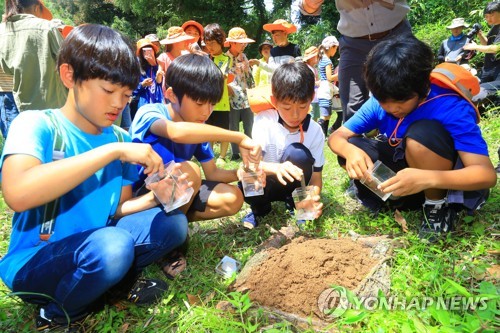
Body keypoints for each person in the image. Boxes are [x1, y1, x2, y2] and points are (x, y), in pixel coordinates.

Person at [0, 24, 190, 330]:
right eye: (108, 90)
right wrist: (111, 153)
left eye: (126, 94)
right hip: (35, 260)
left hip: (99, 244)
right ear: (69, 76)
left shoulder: (120, 137)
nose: (118, 103)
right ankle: (57, 314)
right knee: (113, 247)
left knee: (172, 225)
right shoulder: (37, 125)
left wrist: (157, 195)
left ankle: (108, 284)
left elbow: (117, 209)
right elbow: (18, 193)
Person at [328, 36, 497, 241]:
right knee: (351, 147)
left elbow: (486, 175)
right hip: (405, 183)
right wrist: (350, 151)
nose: (391, 108)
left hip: (439, 182)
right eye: (383, 101)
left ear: (423, 88)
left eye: (400, 101)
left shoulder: (449, 106)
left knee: (422, 134)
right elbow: (337, 136)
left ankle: (436, 208)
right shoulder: (380, 100)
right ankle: (393, 197)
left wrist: (427, 178)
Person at [130, 53, 262, 223]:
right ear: (172, 95)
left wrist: (240, 173)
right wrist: (239, 137)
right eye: (199, 103)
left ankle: (175, 220)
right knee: (189, 170)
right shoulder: (149, 112)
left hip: (176, 192)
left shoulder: (197, 128)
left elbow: (213, 173)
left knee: (233, 198)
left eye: (212, 103)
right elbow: (176, 132)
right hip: (144, 194)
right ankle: (172, 227)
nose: (207, 112)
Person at [290, 1, 413, 124]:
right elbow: (307, 7)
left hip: (396, 35)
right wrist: (311, 3)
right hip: (353, 45)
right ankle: (354, 140)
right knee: (352, 110)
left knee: (408, 96)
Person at [241, 62, 324, 229]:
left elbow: (315, 178)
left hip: (295, 186)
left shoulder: (315, 131)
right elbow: (252, 163)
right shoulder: (264, 119)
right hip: (268, 183)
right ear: (274, 101)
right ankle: (260, 208)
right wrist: (276, 168)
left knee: (298, 153)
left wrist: (312, 196)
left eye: (303, 106)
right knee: (248, 177)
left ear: (311, 100)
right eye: (286, 107)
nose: (295, 115)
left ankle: (297, 204)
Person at [0, 0, 68, 138]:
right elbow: (69, 62)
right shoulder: (47, 28)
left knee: (18, 147)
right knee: (51, 148)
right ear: (37, 8)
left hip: (9, 99)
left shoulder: (3, 30)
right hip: (46, 103)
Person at [225, 27, 256, 161]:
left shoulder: (244, 57)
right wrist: (227, 88)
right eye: (240, 42)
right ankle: (235, 152)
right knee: (233, 125)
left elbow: (249, 76)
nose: (243, 45)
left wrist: (253, 90)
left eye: (244, 42)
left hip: (246, 96)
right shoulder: (225, 58)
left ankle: (249, 149)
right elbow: (223, 77)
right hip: (232, 97)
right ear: (232, 43)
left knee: (249, 124)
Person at [204, 23, 232, 164]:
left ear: (221, 42)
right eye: (207, 43)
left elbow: (221, 76)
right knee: (208, 129)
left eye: (213, 43)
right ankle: (210, 155)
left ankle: (222, 156)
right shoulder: (205, 58)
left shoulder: (226, 59)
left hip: (222, 102)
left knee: (223, 130)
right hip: (207, 102)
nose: (210, 47)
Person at [463, 1, 500, 104]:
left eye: (492, 15)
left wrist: (475, 46)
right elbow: (487, 45)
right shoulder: (494, 27)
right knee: (476, 90)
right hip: (489, 67)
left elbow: (496, 48)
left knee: (489, 91)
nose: (488, 19)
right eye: (486, 16)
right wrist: (479, 34)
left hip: (498, 69)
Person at [157, 26, 194, 102]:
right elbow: (158, 81)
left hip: (186, 93)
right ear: (176, 43)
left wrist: (193, 54)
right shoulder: (164, 57)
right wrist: (159, 74)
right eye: (183, 40)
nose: (185, 42)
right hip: (170, 95)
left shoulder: (186, 55)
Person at [131, 38, 164, 115]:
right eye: (144, 50)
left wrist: (154, 65)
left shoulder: (159, 63)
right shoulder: (135, 66)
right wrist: (142, 85)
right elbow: (131, 89)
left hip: (158, 102)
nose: (148, 52)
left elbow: (161, 83)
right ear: (140, 53)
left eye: (150, 49)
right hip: (142, 103)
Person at [316, 36, 339, 137]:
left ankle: (324, 135)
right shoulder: (327, 61)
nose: (336, 51)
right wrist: (340, 74)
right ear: (331, 47)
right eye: (336, 48)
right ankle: (318, 133)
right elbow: (329, 77)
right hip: (326, 89)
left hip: (325, 89)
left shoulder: (322, 60)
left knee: (328, 115)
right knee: (324, 116)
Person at [302, 46, 320, 121]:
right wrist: (318, 83)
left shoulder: (313, 68)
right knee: (311, 118)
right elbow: (307, 83)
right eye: (317, 56)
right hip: (310, 98)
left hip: (315, 97)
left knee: (315, 117)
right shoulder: (307, 68)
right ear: (312, 57)